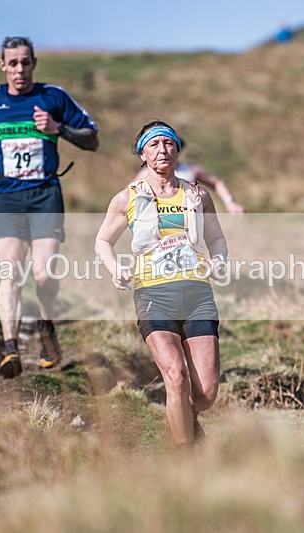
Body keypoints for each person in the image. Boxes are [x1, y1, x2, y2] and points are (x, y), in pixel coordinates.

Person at [0, 36, 99, 379]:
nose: (19, 69)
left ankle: (46, 327)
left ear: (34, 63)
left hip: (45, 194)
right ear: (2, 65)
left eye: (25, 62)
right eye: (13, 63)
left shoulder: (53, 96)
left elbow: (92, 138)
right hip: (6, 195)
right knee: (10, 270)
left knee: (43, 274)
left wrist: (58, 129)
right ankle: (10, 349)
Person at [95, 120, 228, 447]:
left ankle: (187, 415)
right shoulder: (127, 198)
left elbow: (217, 238)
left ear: (177, 150)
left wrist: (219, 260)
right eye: (153, 144)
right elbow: (103, 240)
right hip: (153, 294)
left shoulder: (198, 195)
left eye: (168, 143)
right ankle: (185, 455)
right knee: (176, 378)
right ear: (142, 153)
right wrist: (114, 268)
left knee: (207, 393)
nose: (162, 150)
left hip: (197, 294)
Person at [131, 137, 245, 214]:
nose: (164, 151)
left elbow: (216, 182)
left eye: (170, 145)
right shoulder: (146, 173)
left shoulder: (191, 170)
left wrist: (230, 202)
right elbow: (130, 196)